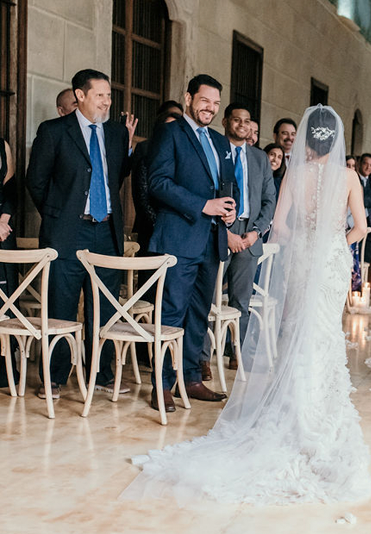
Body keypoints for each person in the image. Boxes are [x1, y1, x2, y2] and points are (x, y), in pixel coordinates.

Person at [123, 105, 371, 506]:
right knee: (324, 333)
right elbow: (360, 226)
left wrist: (306, 245)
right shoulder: (347, 176)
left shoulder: (295, 173)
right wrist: (333, 246)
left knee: (294, 329)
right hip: (329, 265)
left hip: (303, 261)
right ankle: (319, 412)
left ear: (308, 138)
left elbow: (282, 224)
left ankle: (291, 408)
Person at [27, 69, 136, 400]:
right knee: (61, 306)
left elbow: (113, 178)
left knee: (103, 307)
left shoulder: (117, 134)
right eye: (100, 94)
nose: (106, 101)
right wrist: (59, 214)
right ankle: (54, 376)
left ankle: (100, 374)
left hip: (105, 232)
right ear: (80, 96)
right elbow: (36, 181)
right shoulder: (53, 131)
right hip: (66, 233)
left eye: (108, 95)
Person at [146, 74, 237, 411]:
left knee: (199, 313)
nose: (210, 108)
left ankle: (191, 379)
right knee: (171, 313)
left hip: (212, 240)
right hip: (179, 238)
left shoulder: (220, 141)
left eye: (215, 103)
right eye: (204, 101)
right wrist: (203, 205)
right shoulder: (170, 133)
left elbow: (229, 186)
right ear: (188, 98)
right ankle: (162, 384)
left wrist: (230, 209)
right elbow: (158, 183)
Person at [198, 102, 276, 377]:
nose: (243, 125)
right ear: (226, 122)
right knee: (208, 299)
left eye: (247, 121)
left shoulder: (259, 158)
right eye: (237, 120)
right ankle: (203, 357)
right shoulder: (215, 151)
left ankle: (236, 351)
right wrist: (226, 233)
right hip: (219, 231)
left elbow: (269, 198)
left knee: (241, 300)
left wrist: (256, 231)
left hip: (249, 233)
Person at [131, 110, 183, 254]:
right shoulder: (147, 158)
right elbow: (142, 199)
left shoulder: (187, 161)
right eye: (168, 127)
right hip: (152, 231)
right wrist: (162, 225)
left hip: (180, 235)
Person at [0, 137, 18, 389]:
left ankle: (4, 369)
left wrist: (3, 221)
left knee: (5, 298)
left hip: (2, 231)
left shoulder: (2, 145)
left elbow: (11, 189)